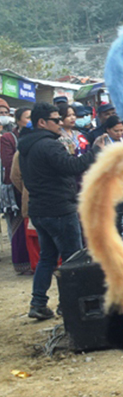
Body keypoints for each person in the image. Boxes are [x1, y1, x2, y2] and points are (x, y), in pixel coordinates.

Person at [17, 103, 100, 320]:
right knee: (74, 259)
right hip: (59, 209)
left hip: (41, 209)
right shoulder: (47, 145)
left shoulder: (28, 145)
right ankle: (70, 304)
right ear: (42, 122)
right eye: (56, 120)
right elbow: (71, 167)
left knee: (48, 258)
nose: (60, 123)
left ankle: (38, 303)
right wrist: (96, 152)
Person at [2, 106, 32, 275]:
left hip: (32, 187)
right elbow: (10, 167)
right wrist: (24, 189)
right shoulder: (9, 138)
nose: (30, 121)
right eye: (27, 118)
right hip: (16, 189)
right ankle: (22, 263)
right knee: (19, 227)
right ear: (18, 119)